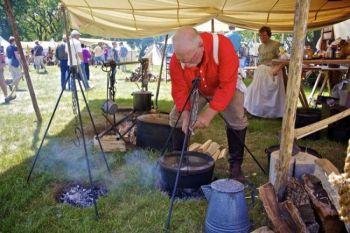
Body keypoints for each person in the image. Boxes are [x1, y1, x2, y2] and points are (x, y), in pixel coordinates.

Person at [169, 27, 248, 182]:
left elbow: (226, 86)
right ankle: (179, 159)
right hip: (198, 86)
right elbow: (179, 90)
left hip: (225, 84)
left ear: (201, 45)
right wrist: (186, 115)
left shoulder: (223, 46)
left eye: (190, 60)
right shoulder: (178, 60)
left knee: (236, 118)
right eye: (183, 61)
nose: (187, 65)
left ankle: (235, 165)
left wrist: (208, 115)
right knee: (176, 117)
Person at [244, 26, 285, 118]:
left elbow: (284, 58)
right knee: (255, 85)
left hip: (274, 70)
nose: (262, 38)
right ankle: (256, 109)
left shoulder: (277, 44)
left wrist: (277, 68)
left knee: (257, 81)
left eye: (264, 35)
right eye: (261, 36)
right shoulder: (260, 47)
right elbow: (260, 61)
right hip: (262, 71)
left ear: (269, 35)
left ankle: (256, 109)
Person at [5, 36, 22, 103]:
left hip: (8, 61)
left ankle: (16, 87)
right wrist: (20, 63)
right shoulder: (15, 47)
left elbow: (7, 54)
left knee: (14, 75)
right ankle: (11, 84)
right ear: (13, 41)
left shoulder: (7, 47)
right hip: (13, 61)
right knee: (19, 75)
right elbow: (17, 56)